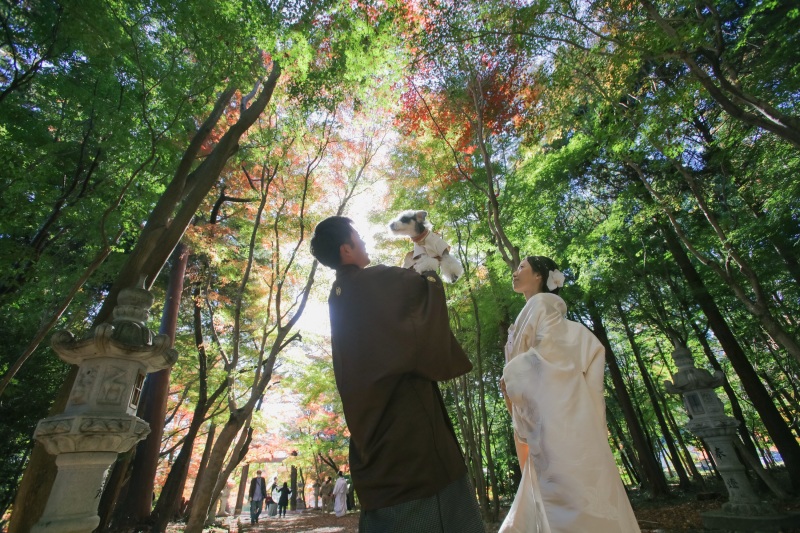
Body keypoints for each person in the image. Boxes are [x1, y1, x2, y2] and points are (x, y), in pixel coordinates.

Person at [309, 216, 485, 533]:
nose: (364, 242)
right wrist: (429, 269)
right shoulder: (372, 281)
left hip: (373, 436)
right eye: (358, 237)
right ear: (346, 249)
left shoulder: (339, 295)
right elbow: (419, 299)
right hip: (408, 432)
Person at [499, 256, 640, 533]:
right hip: (545, 408)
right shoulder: (532, 310)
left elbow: (553, 354)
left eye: (522, 268)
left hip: (556, 412)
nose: (515, 273)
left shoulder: (543, 306)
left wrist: (512, 375)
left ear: (539, 275)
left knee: (565, 489)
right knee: (557, 487)